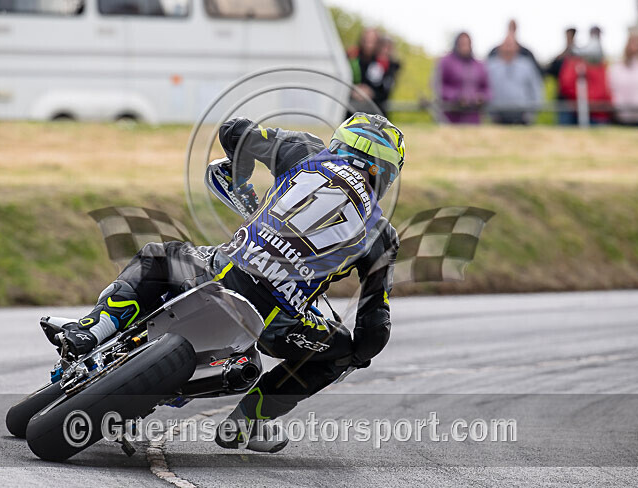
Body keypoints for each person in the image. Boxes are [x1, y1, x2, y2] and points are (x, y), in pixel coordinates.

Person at [46, 112, 404, 453]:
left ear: (339, 143)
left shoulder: (305, 151)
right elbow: (375, 331)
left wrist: (240, 179)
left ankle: (91, 330)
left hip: (217, 272)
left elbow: (234, 131)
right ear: (385, 175)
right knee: (341, 352)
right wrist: (359, 354)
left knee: (158, 255)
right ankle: (248, 422)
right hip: (276, 322)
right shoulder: (382, 234)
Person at [558, 26, 612, 125]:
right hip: (575, 111)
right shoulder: (576, 64)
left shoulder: (602, 66)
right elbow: (566, 84)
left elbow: (604, 89)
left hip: (598, 114)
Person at [486, 35, 544, 125]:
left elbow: (536, 88)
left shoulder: (527, 65)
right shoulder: (490, 66)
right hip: (497, 116)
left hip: (522, 116)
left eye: (511, 44)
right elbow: (485, 88)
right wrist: (490, 113)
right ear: (500, 47)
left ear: (517, 48)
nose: (508, 47)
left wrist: (531, 114)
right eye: (506, 44)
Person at [437, 32, 490, 124]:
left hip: (474, 117)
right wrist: (457, 97)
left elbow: (487, 88)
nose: (465, 47)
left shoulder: (479, 65)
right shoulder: (446, 62)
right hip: (451, 116)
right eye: (462, 43)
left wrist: (481, 97)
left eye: (467, 43)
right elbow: (439, 87)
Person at [347, 28, 395, 115]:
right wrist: (353, 90)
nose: (369, 44)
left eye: (372, 41)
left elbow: (385, 90)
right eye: (366, 40)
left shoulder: (383, 62)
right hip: (351, 107)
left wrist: (371, 92)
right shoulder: (352, 57)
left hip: (375, 110)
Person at [546, 27, 578, 125]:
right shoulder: (560, 58)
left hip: (578, 100)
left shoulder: (579, 57)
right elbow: (550, 71)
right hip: (564, 100)